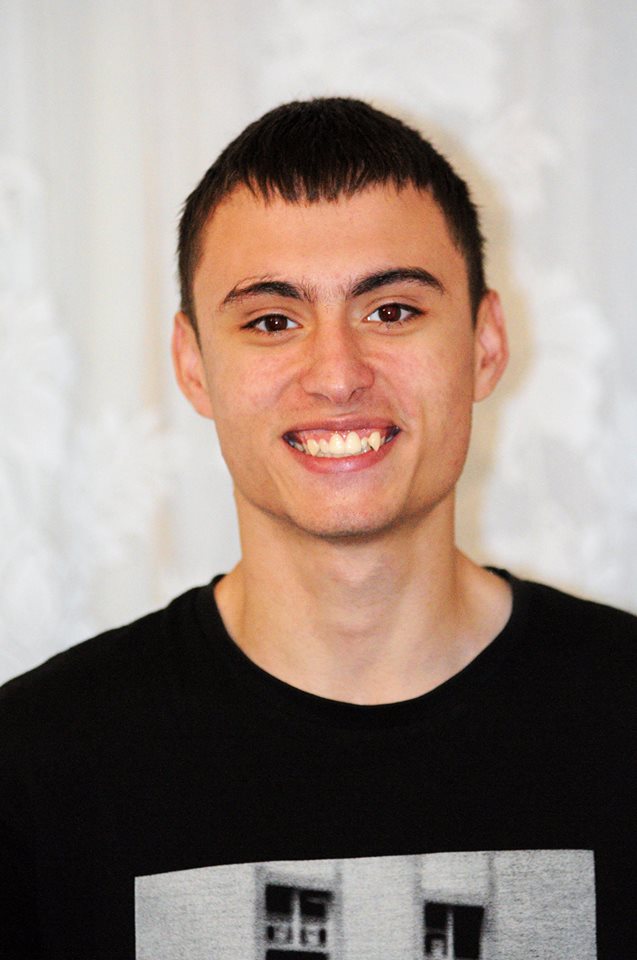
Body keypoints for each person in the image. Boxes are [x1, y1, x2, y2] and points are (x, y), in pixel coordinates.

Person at [1, 98, 635, 960]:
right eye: (272, 321)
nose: (337, 376)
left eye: (391, 311)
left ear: (484, 344)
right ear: (193, 364)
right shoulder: (34, 768)